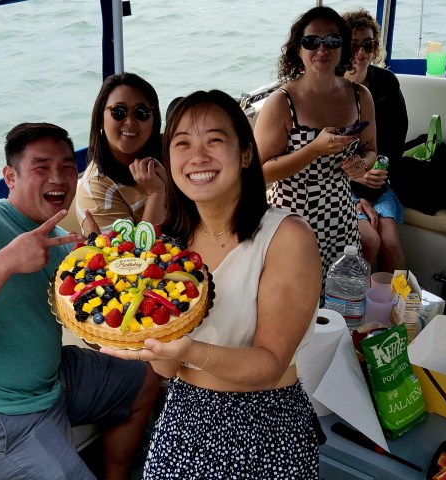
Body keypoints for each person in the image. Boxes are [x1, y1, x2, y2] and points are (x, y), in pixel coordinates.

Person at [0, 122, 158, 480]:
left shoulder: (60, 241)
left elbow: (92, 334)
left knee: (145, 379)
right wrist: (8, 260)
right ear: (10, 176)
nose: (57, 179)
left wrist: (100, 275)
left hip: (51, 381)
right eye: (41, 167)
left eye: (67, 168)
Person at [101, 90, 323, 479]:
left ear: (245, 154)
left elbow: (270, 366)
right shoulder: (170, 246)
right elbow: (168, 369)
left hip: (266, 423)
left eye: (214, 140)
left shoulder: (287, 237)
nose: (197, 157)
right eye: (182, 143)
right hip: (184, 414)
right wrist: (145, 341)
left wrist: (190, 347)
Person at [253, 6, 377, 297]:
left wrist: (362, 164)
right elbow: (258, 172)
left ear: (343, 48)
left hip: (340, 217)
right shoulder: (281, 102)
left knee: (338, 303)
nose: (322, 49)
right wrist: (314, 150)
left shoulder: (361, 96)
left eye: (333, 41)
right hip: (291, 217)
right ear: (298, 49)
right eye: (312, 42)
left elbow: (371, 150)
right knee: (294, 300)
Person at [343, 8, 407, 273]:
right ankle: (363, 310)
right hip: (340, 185)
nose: (361, 52)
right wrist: (356, 181)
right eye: (354, 44)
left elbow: (395, 139)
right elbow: (320, 153)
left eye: (367, 44)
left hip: (378, 181)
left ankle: (398, 310)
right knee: (370, 241)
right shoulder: (329, 90)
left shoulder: (386, 83)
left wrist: (377, 172)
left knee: (390, 242)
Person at [77, 72, 167, 233]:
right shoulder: (95, 192)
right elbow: (132, 257)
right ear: (100, 119)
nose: (130, 121)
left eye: (141, 112)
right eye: (119, 111)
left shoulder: (172, 152)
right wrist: (156, 193)